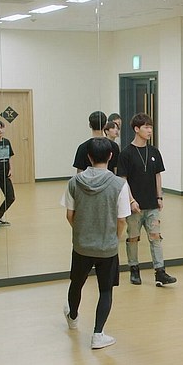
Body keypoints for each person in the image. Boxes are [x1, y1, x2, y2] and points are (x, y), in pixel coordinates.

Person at [62, 137, 131, 349]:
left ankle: (73, 317)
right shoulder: (120, 185)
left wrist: (82, 232)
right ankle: (98, 334)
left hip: (81, 246)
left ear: (89, 157)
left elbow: (69, 215)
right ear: (110, 156)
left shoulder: (74, 182)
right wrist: (114, 238)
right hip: (107, 248)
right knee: (105, 290)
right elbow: (122, 220)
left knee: (76, 283)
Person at [116, 112, 177, 287]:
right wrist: (131, 201)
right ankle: (134, 269)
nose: (150, 130)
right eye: (146, 127)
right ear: (137, 129)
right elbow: (123, 180)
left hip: (152, 204)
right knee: (133, 238)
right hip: (134, 205)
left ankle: (160, 271)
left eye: (151, 127)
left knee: (155, 236)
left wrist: (159, 196)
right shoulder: (126, 154)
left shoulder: (154, 152)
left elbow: (157, 175)